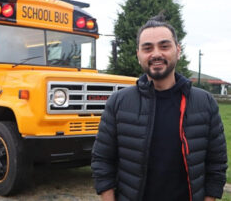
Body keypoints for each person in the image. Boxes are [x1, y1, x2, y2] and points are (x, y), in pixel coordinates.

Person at [91, 15, 227, 201]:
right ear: (138, 55)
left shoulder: (204, 103)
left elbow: (216, 164)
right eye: (147, 48)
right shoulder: (118, 103)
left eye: (164, 46)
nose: (156, 54)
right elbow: (102, 161)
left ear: (178, 51)